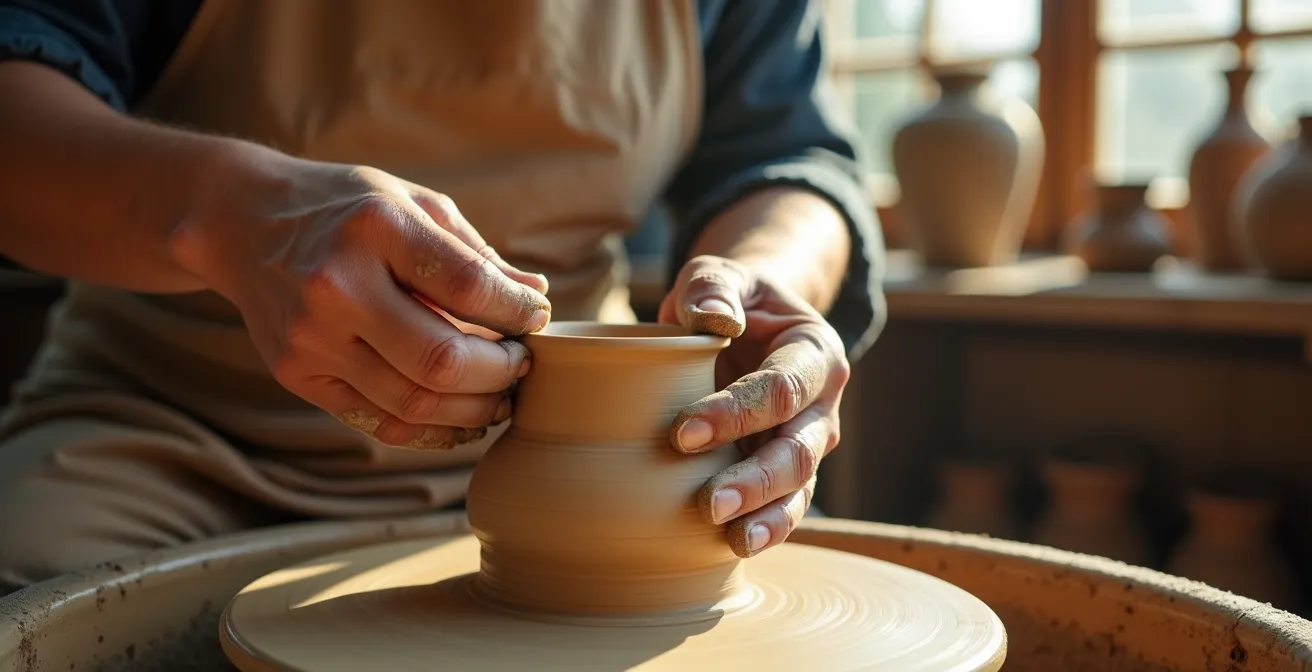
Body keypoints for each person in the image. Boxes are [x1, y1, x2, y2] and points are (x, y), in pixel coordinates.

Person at [0, 0, 885, 595]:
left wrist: (764, 276)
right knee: (36, 606)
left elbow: (786, 159)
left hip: (601, 457)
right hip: (168, 432)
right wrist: (234, 215)